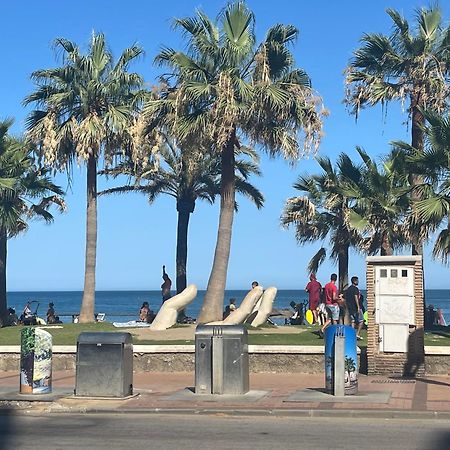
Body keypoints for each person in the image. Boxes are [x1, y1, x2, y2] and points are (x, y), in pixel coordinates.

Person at [345, 276, 364, 340]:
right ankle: (357, 334)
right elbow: (356, 297)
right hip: (356, 308)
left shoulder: (348, 289)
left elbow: (346, 298)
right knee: (361, 321)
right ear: (355, 281)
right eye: (357, 281)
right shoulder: (355, 289)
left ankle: (352, 334)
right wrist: (358, 307)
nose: (358, 282)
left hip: (350, 308)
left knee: (353, 321)